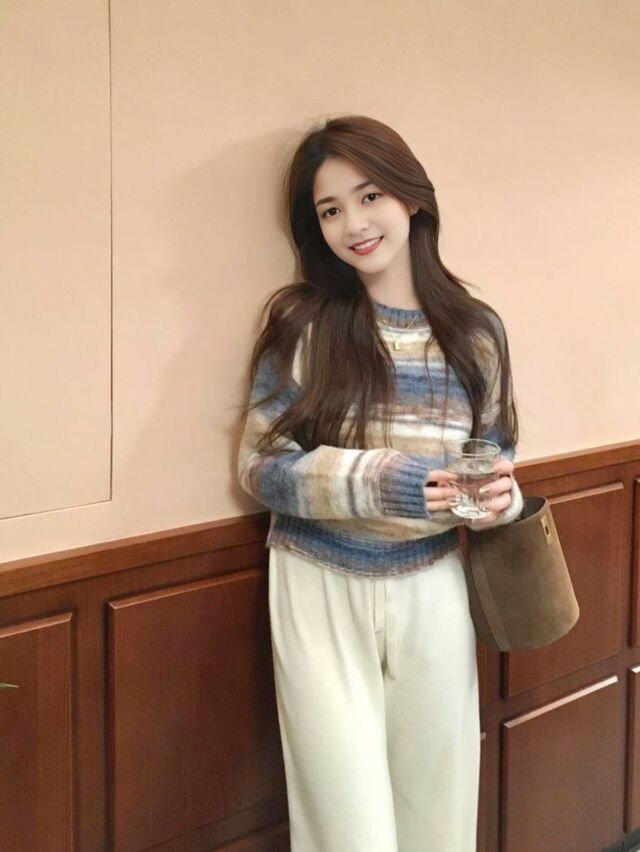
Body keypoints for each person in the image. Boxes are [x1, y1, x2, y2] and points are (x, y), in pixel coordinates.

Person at [237, 114, 523, 852]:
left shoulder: (477, 330)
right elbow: (260, 467)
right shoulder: (302, 323)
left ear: (411, 196)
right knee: (349, 831)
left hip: (435, 582)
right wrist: (381, 479)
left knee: (440, 813)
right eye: (330, 210)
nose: (354, 224)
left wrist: (501, 497)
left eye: (370, 197)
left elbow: (496, 454)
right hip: (318, 584)